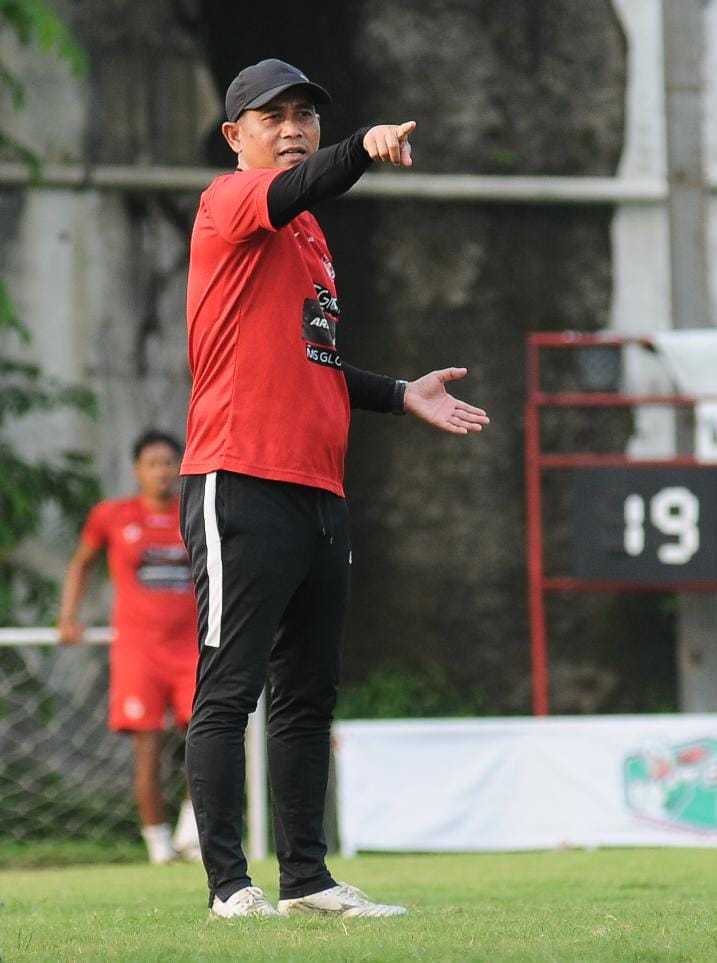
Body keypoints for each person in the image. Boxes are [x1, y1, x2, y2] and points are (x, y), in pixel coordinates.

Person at [180, 58, 489, 920]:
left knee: (308, 692)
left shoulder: (310, 240)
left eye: (305, 116)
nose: (291, 129)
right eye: (270, 117)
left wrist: (400, 393)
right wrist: (362, 146)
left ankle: (307, 879)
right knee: (229, 688)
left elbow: (311, 363)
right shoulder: (230, 202)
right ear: (234, 135)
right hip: (238, 478)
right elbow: (306, 181)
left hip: (318, 490)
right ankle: (228, 887)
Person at [58, 430, 202, 866]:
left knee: (207, 741)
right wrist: (69, 615)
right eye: (152, 463)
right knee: (148, 750)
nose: (162, 472)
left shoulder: (194, 512)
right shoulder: (113, 515)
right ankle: (158, 846)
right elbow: (81, 564)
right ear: (137, 470)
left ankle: (192, 835)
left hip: (193, 649)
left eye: (168, 463)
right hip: (139, 651)